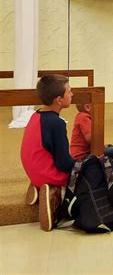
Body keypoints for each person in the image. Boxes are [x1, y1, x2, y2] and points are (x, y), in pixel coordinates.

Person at [20, 75, 75, 231]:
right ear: (58, 100)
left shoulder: (35, 115)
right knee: (88, 169)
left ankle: (38, 185)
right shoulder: (56, 123)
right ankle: (52, 193)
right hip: (49, 174)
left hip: (33, 170)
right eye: (69, 91)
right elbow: (64, 163)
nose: (72, 94)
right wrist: (81, 163)